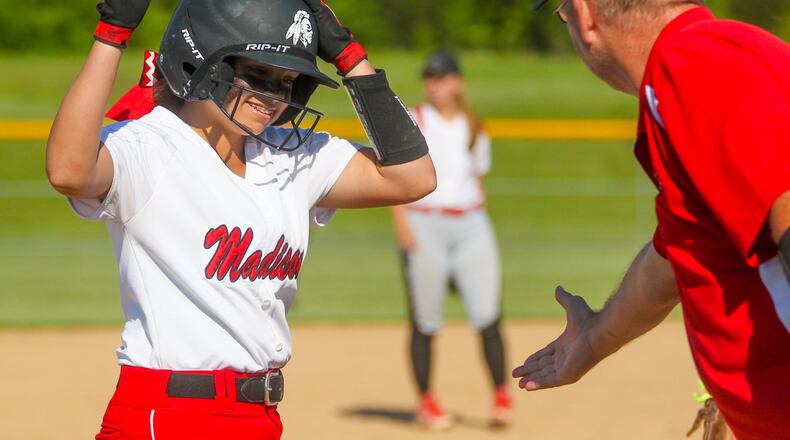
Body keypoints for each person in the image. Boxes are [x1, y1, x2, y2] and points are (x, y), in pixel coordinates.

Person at [45, 0, 436, 439]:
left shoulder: (289, 155)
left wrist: (349, 56)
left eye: (287, 81)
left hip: (259, 417)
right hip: (170, 415)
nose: (274, 95)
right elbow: (69, 171)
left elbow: (412, 177)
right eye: (258, 74)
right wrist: (112, 34)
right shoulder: (151, 147)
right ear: (203, 59)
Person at [513, 1, 790, 439]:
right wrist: (595, 337)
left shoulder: (693, 65)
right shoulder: (704, 59)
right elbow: (675, 253)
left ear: (585, 16)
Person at [390, 50, 511, 430]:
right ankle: (427, 401)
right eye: (429, 77)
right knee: (425, 318)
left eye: (442, 77)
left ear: (458, 82)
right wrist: (403, 226)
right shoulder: (415, 118)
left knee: (487, 312)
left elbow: (478, 179)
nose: (435, 84)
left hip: (471, 223)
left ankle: (501, 395)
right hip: (425, 222)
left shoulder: (474, 125)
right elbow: (393, 174)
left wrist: (481, 220)